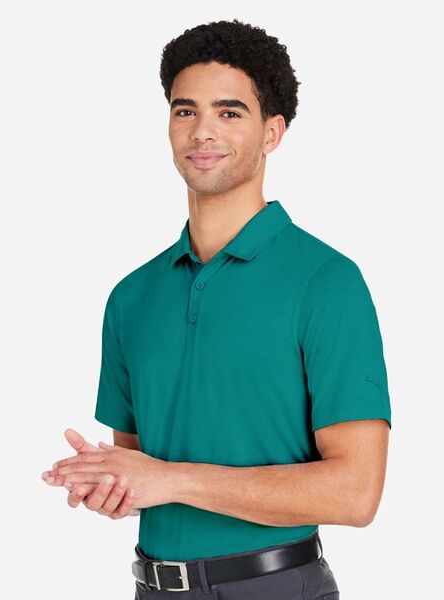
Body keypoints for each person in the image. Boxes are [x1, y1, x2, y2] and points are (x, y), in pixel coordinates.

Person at [42, 19, 392, 599]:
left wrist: (170, 480)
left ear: (272, 132)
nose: (203, 131)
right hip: (153, 586)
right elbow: (143, 474)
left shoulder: (327, 281)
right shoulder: (132, 296)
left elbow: (355, 494)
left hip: (276, 586)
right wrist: (112, 485)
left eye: (230, 112)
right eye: (186, 111)